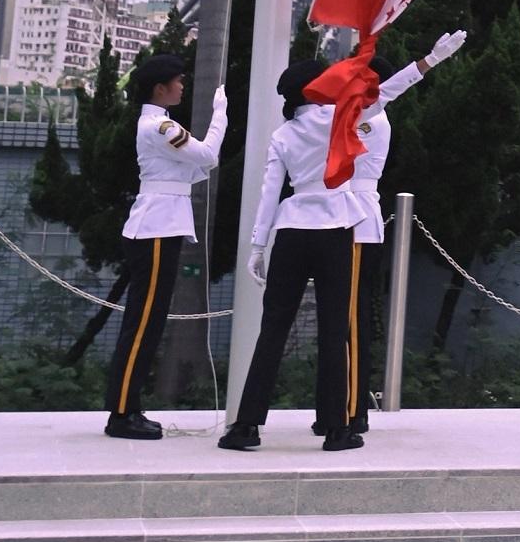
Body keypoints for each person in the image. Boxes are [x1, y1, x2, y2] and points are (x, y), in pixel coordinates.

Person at [222, 30, 466, 452]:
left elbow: (269, 193)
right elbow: (387, 90)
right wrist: (429, 60)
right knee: (336, 330)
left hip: (291, 229)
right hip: (337, 227)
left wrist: (258, 246)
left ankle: (246, 426)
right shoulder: (342, 117)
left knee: (272, 329)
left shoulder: (283, 134)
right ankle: (337, 428)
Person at [311, 29, 466, 439]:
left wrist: (429, 62)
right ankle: (334, 406)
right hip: (337, 216)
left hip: (357, 221)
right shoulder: (352, 114)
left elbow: (389, 90)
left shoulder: (371, 114)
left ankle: (353, 408)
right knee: (336, 320)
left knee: (352, 321)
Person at [104, 50, 227, 440]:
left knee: (149, 321)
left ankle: (128, 405)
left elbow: (200, 168)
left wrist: (203, 159)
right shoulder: (158, 127)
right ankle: (121, 412)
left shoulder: (163, 126)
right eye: (178, 80)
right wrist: (220, 114)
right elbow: (207, 155)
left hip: (163, 226)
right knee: (142, 323)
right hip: (155, 229)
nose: (183, 85)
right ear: (160, 88)